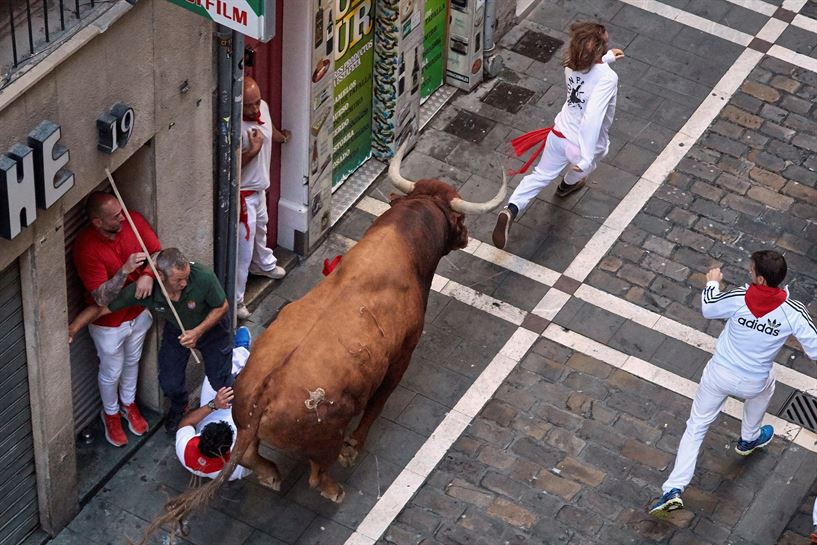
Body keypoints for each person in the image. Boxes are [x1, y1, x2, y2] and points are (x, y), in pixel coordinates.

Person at [650, 251, 817, 517]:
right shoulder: (793, 312)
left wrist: (713, 282)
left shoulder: (740, 297)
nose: (748, 273)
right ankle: (749, 438)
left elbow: (709, 307)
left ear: (760, 279)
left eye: (751, 270)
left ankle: (673, 489)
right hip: (754, 380)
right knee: (767, 384)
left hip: (719, 375)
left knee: (696, 427)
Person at [69, 248, 236, 435]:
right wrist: (74, 328)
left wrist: (197, 332)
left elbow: (222, 307)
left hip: (212, 330)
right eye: (178, 280)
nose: (184, 283)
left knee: (220, 382)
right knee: (169, 381)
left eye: (186, 277)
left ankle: (238, 406)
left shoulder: (204, 277)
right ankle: (180, 406)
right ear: (160, 276)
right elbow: (102, 308)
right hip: (177, 329)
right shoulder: (145, 290)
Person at [492, 22, 624, 250]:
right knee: (594, 158)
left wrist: (608, 58)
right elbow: (592, 118)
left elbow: (588, 74)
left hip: (558, 133)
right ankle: (567, 185)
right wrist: (585, 156)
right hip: (581, 144)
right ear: (598, 50)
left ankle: (511, 208)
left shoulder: (569, 65)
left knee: (540, 175)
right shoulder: (607, 79)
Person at [72, 191, 161, 447]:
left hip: (139, 313)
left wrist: (147, 275)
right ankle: (110, 414)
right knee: (111, 371)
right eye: (114, 216)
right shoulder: (85, 247)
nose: (122, 218)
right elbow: (101, 297)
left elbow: (156, 252)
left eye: (121, 211)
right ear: (97, 222)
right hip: (108, 324)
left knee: (133, 361)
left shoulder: (132, 220)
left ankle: (128, 405)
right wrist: (125, 270)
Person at [236, 76, 290, 320]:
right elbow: (230, 168)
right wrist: (253, 151)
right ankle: (236, 299)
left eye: (257, 102)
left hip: (259, 191)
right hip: (243, 197)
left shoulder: (264, 108)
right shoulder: (236, 128)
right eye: (250, 105)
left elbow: (268, 128)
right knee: (242, 251)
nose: (256, 108)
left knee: (261, 232)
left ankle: (264, 265)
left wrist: (280, 137)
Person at [175, 326, 253, 481]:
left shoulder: (185, 448)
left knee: (215, 379)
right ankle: (246, 354)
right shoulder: (235, 470)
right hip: (242, 421)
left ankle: (238, 351)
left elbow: (185, 422)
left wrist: (214, 404)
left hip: (214, 410)